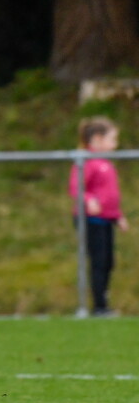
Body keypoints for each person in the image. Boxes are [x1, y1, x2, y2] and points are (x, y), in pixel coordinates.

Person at [69, 115, 129, 317]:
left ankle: (103, 303)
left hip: (106, 219)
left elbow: (109, 194)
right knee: (99, 261)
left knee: (109, 261)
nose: (115, 144)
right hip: (91, 220)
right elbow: (76, 187)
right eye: (112, 139)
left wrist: (117, 216)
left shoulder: (105, 163)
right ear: (96, 139)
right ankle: (99, 306)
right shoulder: (87, 161)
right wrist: (88, 199)